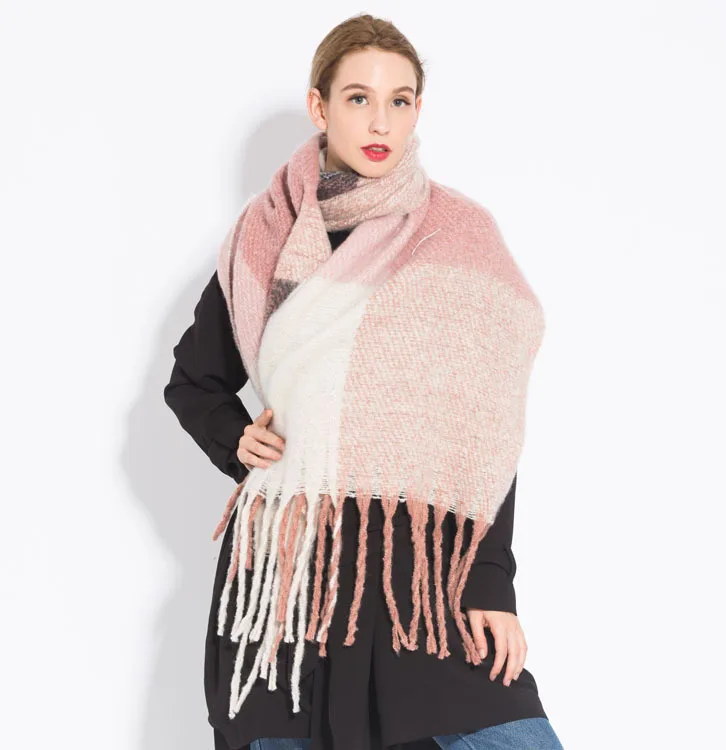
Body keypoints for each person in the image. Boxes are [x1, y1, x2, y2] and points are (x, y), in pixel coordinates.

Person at [164, 13, 563, 750]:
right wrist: (234, 438)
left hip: (417, 577)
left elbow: (487, 426)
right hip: (285, 580)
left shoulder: (458, 240)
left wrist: (490, 582)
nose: (381, 121)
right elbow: (193, 382)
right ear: (319, 107)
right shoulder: (264, 236)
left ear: (418, 109)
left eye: (399, 101)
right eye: (358, 99)